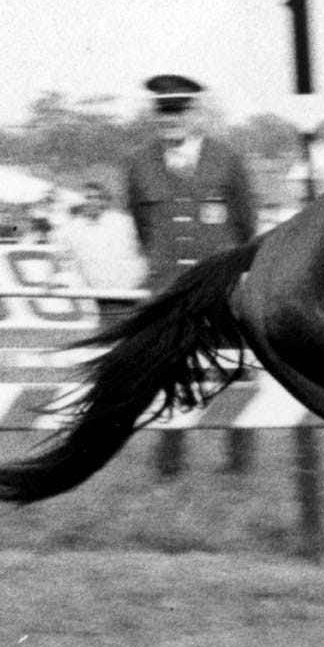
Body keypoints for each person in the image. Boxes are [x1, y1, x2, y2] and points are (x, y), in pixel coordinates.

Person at [123, 74, 263, 473]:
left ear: (197, 112)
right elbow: (142, 227)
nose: (171, 118)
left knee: (234, 371)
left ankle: (239, 464)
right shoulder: (139, 164)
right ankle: (169, 466)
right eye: (162, 110)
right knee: (167, 376)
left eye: (179, 109)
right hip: (167, 294)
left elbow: (245, 225)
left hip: (220, 293)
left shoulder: (228, 159)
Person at [51, 178, 148, 334]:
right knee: (109, 341)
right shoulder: (73, 229)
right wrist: (55, 278)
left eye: (96, 198)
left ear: (105, 201)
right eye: (88, 198)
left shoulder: (124, 223)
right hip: (102, 298)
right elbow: (60, 256)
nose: (92, 202)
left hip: (133, 294)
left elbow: (147, 246)